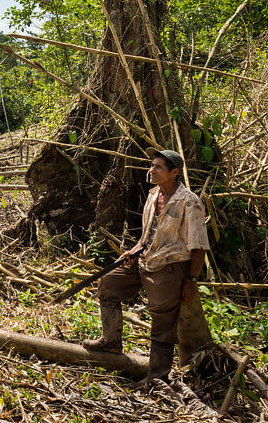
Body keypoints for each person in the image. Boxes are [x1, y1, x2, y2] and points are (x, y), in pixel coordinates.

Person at [81, 149, 209, 385]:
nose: (152, 171)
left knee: (162, 320)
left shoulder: (189, 202)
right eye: (151, 166)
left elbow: (199, 247)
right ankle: (111, 341)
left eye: (158, 167)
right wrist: (133, 250)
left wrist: (191, 280)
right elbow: (147, 235)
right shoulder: (153, 195)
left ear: (174, 172)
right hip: (144, 259)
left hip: (170, 266)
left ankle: (157, 376)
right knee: (108, 283)